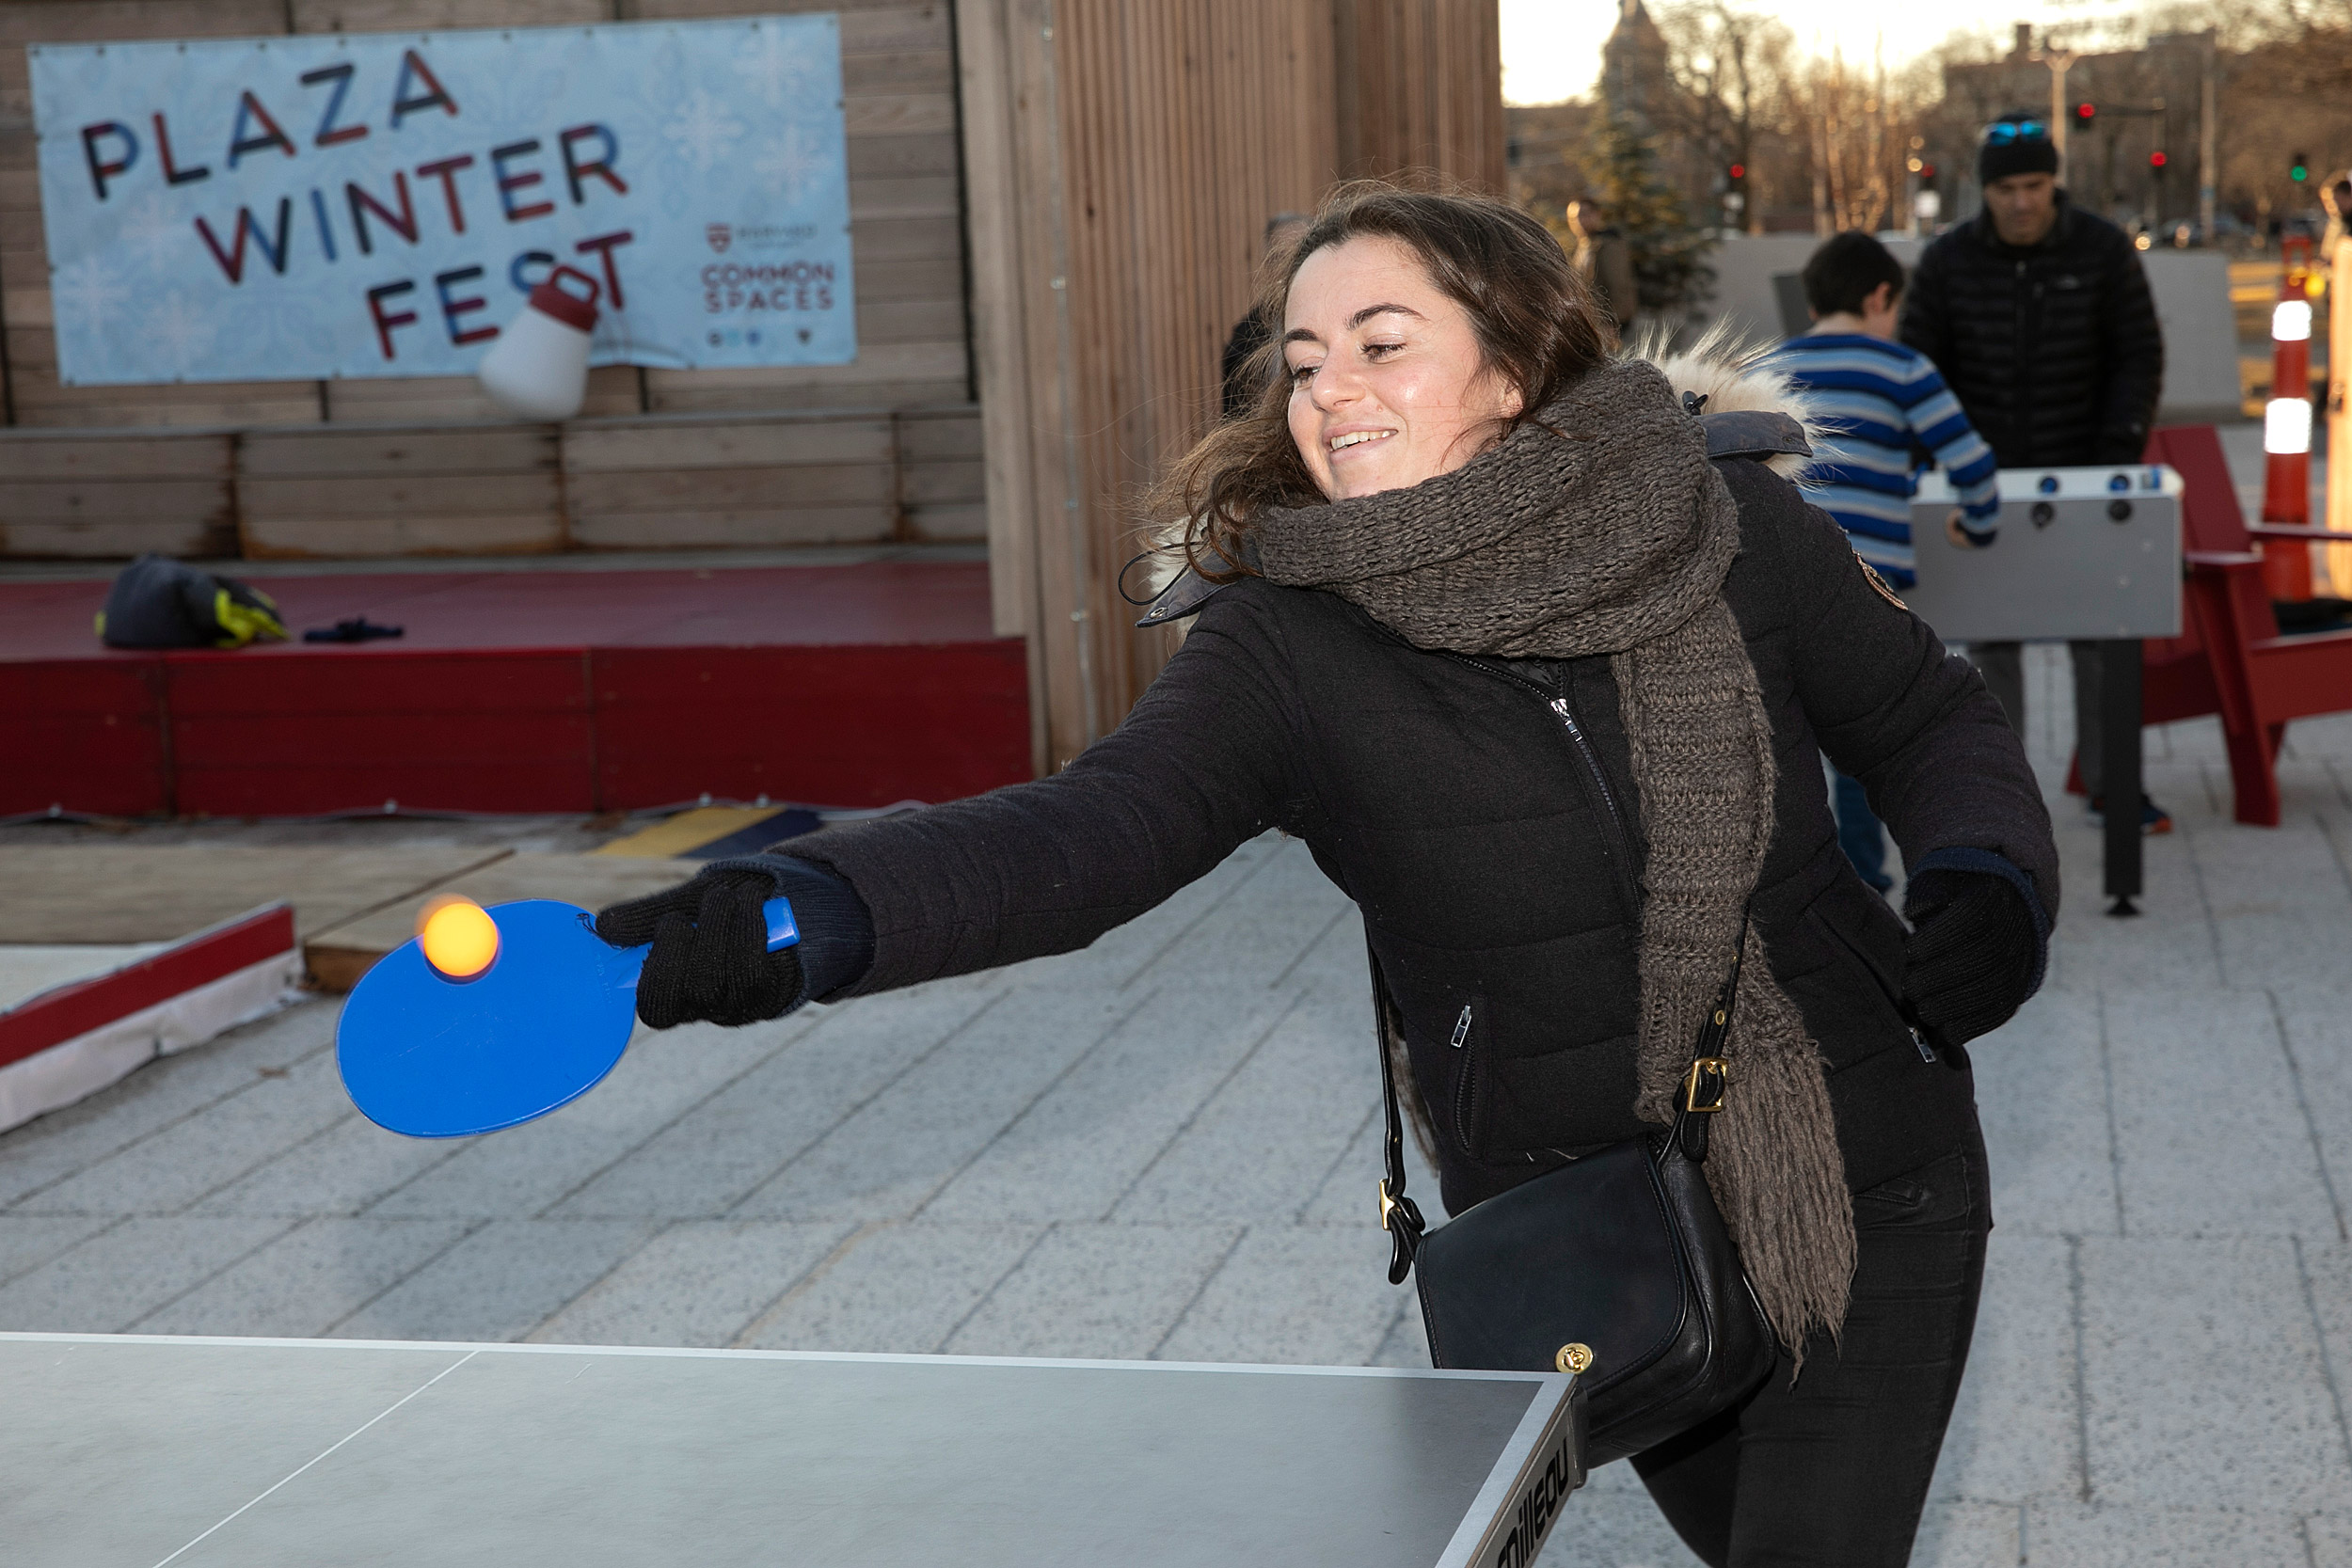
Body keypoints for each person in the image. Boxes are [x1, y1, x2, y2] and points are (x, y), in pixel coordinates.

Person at [597, 184, 2057, 1567]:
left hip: (1866, 1160)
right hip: (1602, 1225)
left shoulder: (1728, 522)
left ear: (1511, 363)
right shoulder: (1283, 639)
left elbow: (1927, 717)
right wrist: (804, 909)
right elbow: (1089, 831)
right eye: (1301, 362)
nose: (1325, 392)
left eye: (1378, 345)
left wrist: (1989, 874)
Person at [1899, 114, 2169, 832]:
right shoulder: (1949, 261)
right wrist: (1945, 463)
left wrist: (2118, 452)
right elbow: (1919, 366)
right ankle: (2005, 795)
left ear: (2055, 182)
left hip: (2086, 471)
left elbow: (2138, 354)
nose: (2022, 200)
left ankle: (2113, 786)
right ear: (1985, 190)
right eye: (2007, 187)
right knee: (1992, 642)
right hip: (1982, 480)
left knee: (2102, 633)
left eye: (2036, 185)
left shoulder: (2103, 250)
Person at [1771, 230, 2001, 892]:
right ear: (1879, 296)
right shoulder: (1903, 368)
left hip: (1786, 572)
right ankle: (1866, 880)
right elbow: (1972, 466)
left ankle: (1815, 879)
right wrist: (1976, 524)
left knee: (1796, 726)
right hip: (1872, 580)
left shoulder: (1772, 367)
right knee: (1865, 728)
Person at [1219, 213, 1311, 418]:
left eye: (1299, 255)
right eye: (1279, 257)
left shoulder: (1341, 323)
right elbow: (1233, 423)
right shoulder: (1244, 341)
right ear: (1267, 267)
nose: (1289, 266)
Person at [1568, 196, 1640, 340]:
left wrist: (1613, 322)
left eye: (1585, 214)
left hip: (1611, 326)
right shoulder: (1584, 245)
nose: (1580, 220)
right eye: (1574, 217)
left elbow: (1618, 284)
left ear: (1597, 214)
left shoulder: (1608, 245)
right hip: (1593, 323)